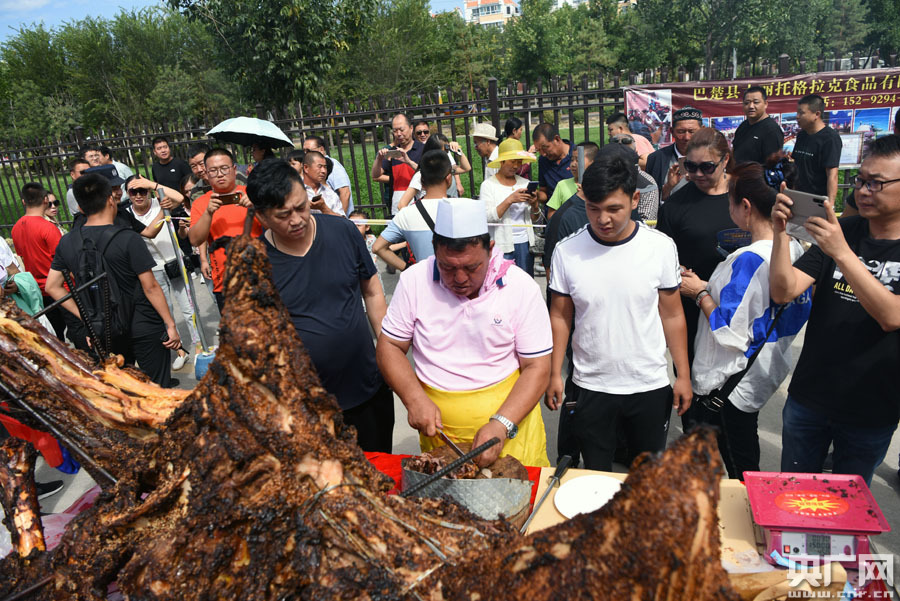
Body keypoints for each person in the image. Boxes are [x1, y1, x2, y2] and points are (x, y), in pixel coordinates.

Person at [377, 198, 552, 468]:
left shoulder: (519, 286)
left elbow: (537, 367)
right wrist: (413, 398)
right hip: (441, 437)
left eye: (472, 267)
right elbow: (389, 346)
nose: (459, 279)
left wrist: (502, 423)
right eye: (447, 267)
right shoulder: (414, 280)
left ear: (490, 249)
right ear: (434, 249)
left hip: (510, 431)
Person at [546, 153, 692, 472]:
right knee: (596, 475)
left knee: (646, 478)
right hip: (591, 385)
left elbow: (672, 315)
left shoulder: (660, 247)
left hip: (649, 384)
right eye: (593, 208)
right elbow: (560, 316)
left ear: (634, 199)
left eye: (614, 209)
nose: (603, 219)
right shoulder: (567, 251)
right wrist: (555, 373)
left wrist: (682, 375)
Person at [769, 134, 900, 486]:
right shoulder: (845, 230)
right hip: (810, 396)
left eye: (876, 183)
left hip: (872, 406)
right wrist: (781, 234)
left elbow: (891, 316)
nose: (863, 191)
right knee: (794, 494)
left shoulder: (839, 240)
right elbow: (783, 290)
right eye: (860, 180)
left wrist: (842, 252)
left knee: (848, 504)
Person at [246, 159, 393, 452]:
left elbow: (373, 292)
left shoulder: (343, 232)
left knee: (380, 471)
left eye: (301, 207)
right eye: (283, 215)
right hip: (307, 408)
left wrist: (388, 351)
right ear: (261, 217)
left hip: (367, 389)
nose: (297, 219)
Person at [679, 163, 811, 480]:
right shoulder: (794, 250)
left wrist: (699, 293)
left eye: (730, 200)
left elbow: (728, 330)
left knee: (739, 467)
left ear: (746, 207)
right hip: (760, 373)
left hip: (730, 382)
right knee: (744, 452)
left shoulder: (749, 259)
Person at [45, 173, 182, 387]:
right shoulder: (128, 238)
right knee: (158, 389)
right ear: (111, 199)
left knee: (123, 391)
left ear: (80, 207)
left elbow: (52, 286)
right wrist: (170, 324)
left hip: (104, 328)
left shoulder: (67, 242)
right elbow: (150, 287)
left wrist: (87, 318)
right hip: (144, 323)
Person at [657, 127, 737, 374]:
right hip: (692, 307)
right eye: (691, 167)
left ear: (725, 160)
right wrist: (681, 273)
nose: (698, 174)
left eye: (707, 167)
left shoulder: (745, 196)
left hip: (740, 304)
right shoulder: (675, 206)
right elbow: (662, 257)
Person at [124, 174, 197, 371]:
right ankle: (180, 351)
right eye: (133, 191)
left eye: (142, 190)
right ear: (128, 194)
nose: (138, 195)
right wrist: (164, 212)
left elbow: (180, 198)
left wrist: (152, 184)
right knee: (167, 313)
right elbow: (149, 232)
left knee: (188, 308)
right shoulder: (126, 214)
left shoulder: (160, 202)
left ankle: (198, 345)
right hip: (152, 269)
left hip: (174, 261)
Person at [188, 148, 263, 311]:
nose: (220, 174)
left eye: (224, 168)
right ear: (207, 174)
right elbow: (194, 239)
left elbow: (277, 228)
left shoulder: (254, 194)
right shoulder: (201, 204)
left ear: (234, 169)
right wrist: (208, 213)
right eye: (213, 170)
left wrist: (256, 208)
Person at [373, 149, 456, 272]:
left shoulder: (406, 214)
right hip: (456, 279)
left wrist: (407, 268)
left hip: (423, 277)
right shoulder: (464, 208)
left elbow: (377, 248)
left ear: (421, 181)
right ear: (449, 179)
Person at [11, 183, 66, 340]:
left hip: (38, 290)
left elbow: (22, 257)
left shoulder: (16, 228)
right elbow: (63, 260)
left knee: (56, 335)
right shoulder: (48, 227)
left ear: (23, 202)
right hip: (60, 287)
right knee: (77, 330)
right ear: (45, 200)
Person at [479, 138, 540, 277]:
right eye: (512, 161)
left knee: (525, 281)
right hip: (501, 244)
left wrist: (534, 204)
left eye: (519, 162)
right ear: (502, 161)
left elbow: (534, 219)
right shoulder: (488, 185)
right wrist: (510, 200)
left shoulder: (524, 183)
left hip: (524, 242)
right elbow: (487, 217)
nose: (516, 166)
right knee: (501, 282)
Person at [371, 113, 426, 215]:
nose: (398, 134)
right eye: (395, 131)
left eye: (401, 129)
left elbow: (429, 175)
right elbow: (375, 175)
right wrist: (379, 159)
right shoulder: (392, 152)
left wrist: (408, 162)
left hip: (420, 203)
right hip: (398, 204)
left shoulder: (423, 149)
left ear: (411, 128)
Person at [397, 134, 472, 208]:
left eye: (447, 151)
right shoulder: (420, 175)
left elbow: (466, 168)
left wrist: (458, 150)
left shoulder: (444, 169)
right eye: (444, 152)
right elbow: (401, 205)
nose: (446, 155)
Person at [791, 94, 842, 204]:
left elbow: (832, 175)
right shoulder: (802, 135)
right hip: (799, 197)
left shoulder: (830, 139)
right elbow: (796, 167)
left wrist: (830, 205)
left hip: (817, 200)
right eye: (797, 112)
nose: (797, 117)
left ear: (817, 114)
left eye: (801, 113)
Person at [645, 107, 703, 200]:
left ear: (702, 130)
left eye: (692, 132)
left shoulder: (714, 158)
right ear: (672, 131)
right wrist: (668, 187)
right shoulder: (656, 159)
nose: (687, 137)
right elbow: (649, 200)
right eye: (681, 132)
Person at [731, 86, 784, 165]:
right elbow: (734, 151)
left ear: (765, 104)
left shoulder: (772, 131)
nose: (751, 106)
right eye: (747, 103)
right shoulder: (744, 125)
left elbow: (773, 165)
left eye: (756, 102)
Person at [303, 135, 354, 215]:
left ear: (321, 149)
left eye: (309, 151)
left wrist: (341, 219)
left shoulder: (334, 166)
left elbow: (345, 193)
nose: (306, 153)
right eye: (304, 151)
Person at [531, 123, 573, 207]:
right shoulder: (543, 160)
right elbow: (544, 192)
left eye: (545, 148)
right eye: (539, 150)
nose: (543, 154)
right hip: (552, 212)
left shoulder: (577, 156)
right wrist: (536, 194)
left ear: (557, 139)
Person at [301, 150, 344, 215]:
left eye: (325, 167)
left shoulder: (330, 194)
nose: (324, 171)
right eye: (320, 166)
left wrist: (324, 208)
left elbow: (342, 220)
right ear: (306, 168)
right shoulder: (294, 191)